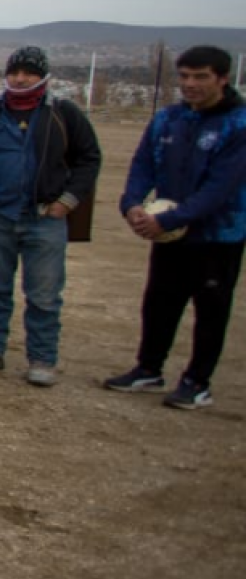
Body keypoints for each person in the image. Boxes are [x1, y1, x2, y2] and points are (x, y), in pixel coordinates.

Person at [0, 46, 103, 387]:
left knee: (44, 295)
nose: (20, 79)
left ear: (44, 76)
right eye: (15, 72)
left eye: (29, 73)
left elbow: (89, 158)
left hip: (45, 217)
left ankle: (42, 360)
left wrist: (67, 200)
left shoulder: (63, 114)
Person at [105, 46, 246, 410]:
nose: (190, 84)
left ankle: (198, 381)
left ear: (222, 78)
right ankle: (149, 368)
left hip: (218, 236)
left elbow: (220, 187)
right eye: (184, 76)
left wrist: (167, 219)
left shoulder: (238, 125)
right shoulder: (169, 119)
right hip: (169, 236)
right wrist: (133, 204)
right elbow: (141, 166)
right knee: (159, 302)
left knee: (210, 309)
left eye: (200, 77)